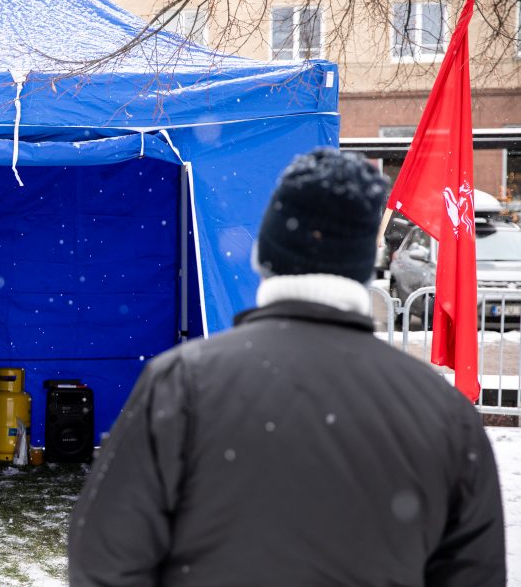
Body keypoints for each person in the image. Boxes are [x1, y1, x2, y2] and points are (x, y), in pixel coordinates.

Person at [68, 148, 506, 586]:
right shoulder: (444, 415)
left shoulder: (180, 384)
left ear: (265, 255)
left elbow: (105, 560)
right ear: (362, 265)